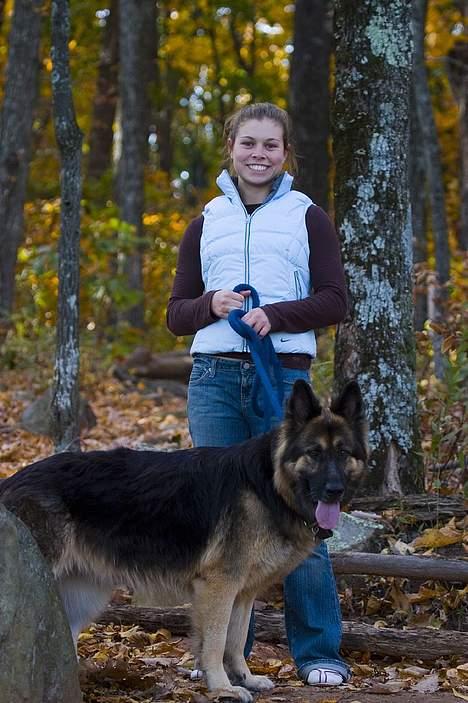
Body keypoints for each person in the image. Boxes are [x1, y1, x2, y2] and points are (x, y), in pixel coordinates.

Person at [166, 102, 350, 687]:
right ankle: (221, 661)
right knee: (219, 520)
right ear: (231, 147)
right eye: (249, 143)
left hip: (284, 386)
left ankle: (320, 652)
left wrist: (276, 312)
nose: (259, 154)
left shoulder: (308, 217)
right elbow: (175, 315)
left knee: (306, 517)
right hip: (215, 379)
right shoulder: (206, 221)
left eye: (271, 145)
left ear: (285, 153)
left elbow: (335, 299)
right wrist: (210, 306)